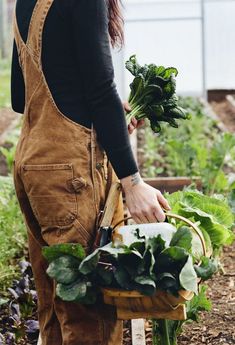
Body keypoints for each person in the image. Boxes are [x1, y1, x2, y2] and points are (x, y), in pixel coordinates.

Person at [11, 0, 170, 344]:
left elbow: (18, 97)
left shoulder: (27, 3)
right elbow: (99, 87)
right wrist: (133, 182)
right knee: (89, 313)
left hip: (34, 164)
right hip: (71, 171)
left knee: (54, 303)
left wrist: (110, 115)